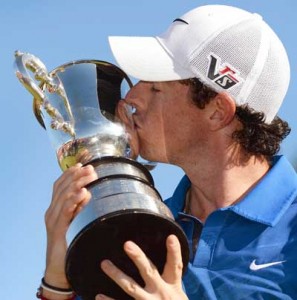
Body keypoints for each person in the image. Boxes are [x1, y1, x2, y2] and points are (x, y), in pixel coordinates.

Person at [37, 4, 297, 300]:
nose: (131, 98)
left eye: (155, 88)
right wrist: (57, 282)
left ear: (217, 111)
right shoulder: (137, 221)